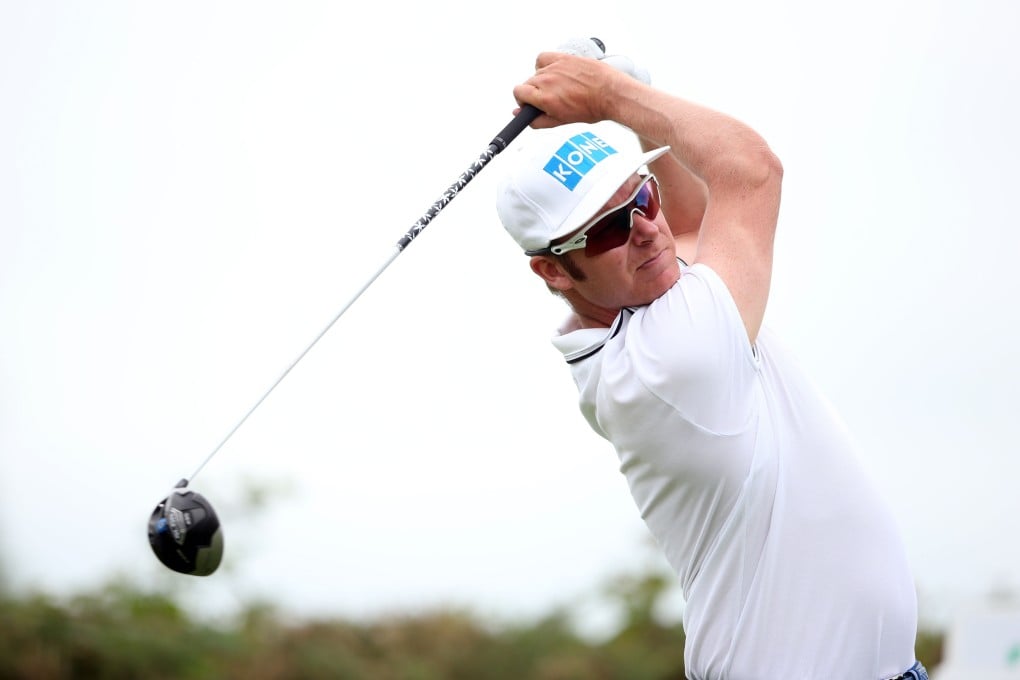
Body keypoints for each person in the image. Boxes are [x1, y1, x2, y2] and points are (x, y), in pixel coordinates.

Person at [494, 47, 926, 680]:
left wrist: (634, 104)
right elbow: (752, 170)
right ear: (553, 270)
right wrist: (613, 97)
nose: (647, 229)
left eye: (643, 196)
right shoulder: (672, 360)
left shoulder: (641, 309)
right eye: (610, 229)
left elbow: (690, 222)